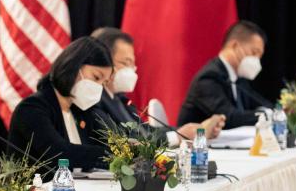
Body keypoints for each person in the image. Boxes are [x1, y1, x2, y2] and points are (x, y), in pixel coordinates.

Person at [90, 27, 226, 143]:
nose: (132, 69)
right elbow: (128, 141)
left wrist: (189, 130)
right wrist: (178, 137)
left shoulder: (120, 99)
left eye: (133, 64)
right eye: (126, 63)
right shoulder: (96, 100)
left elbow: (145, 130)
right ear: (104, 60)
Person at [7, 37, 113, 173]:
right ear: (74, 65)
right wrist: (110, 155)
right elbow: (60, 154)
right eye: (96, 77)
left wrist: (127, 150)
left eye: (104, 83)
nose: (99, 87)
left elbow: (103, 146)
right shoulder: (32, 108)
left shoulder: (81, 111)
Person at [178, 20, 272, 129]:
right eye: (254, 53)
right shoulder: (209, 77)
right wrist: (266, 116)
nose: (256, 60)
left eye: (259, 57)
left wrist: (273, 111)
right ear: (235, 46)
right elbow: (229, 118)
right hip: (196, 139)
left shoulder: (238, 79)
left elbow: (261, 103)